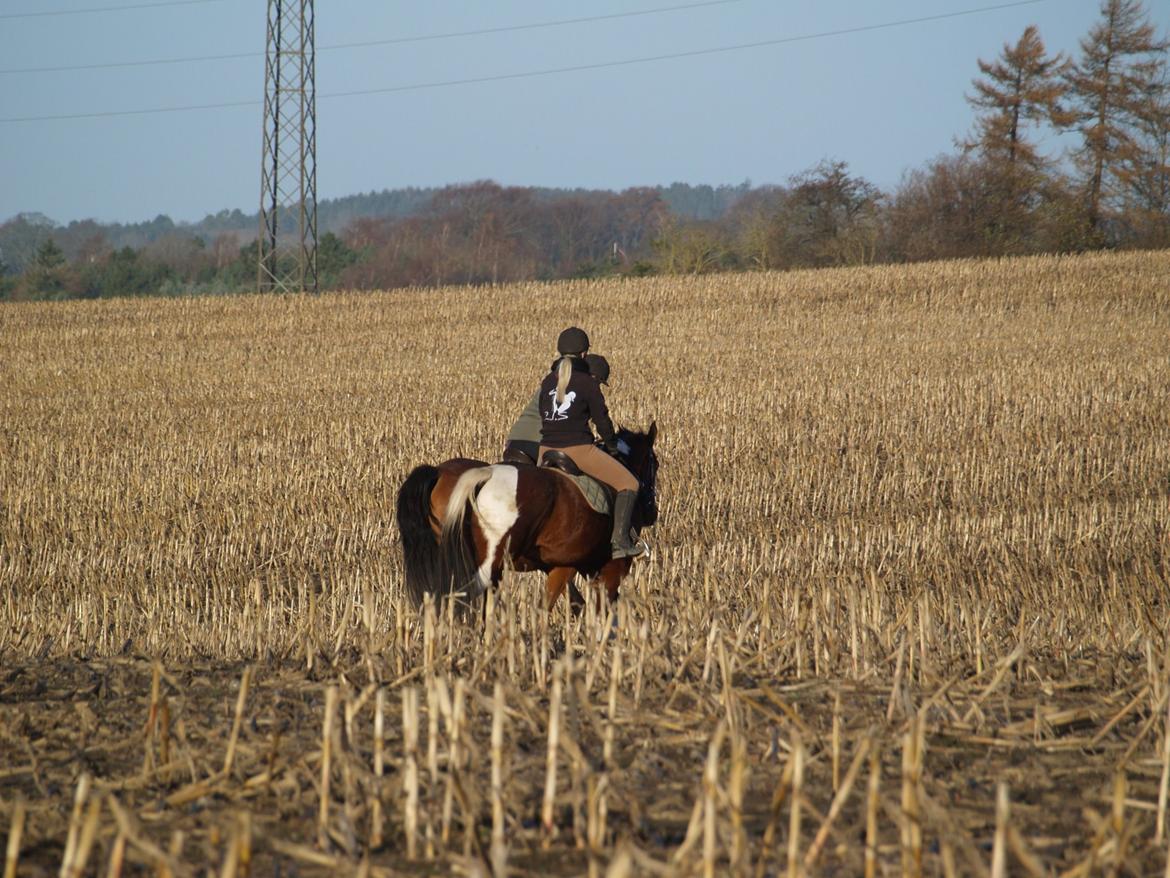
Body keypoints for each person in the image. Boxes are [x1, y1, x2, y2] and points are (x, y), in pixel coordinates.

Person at [537, 327, 643, 559]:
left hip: (544, 451)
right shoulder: (586, 382)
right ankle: (619, 543)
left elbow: (542, 414)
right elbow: (602, 421)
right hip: (577, 450)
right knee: (630, 484)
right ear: (584, 354)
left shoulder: (546, 381)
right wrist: (612, 445)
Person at [503, 352, 609, 464]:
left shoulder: (552, 381)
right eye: (599, 383)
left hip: (513, 440)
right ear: (594, 377)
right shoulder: (583, 387)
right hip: (541, 442)